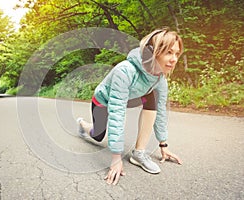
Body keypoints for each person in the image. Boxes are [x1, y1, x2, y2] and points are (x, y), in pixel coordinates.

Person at [77, 27, 183, 185]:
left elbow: (161, 111)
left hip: (129, 97)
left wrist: (163, 144)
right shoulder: (125, 71)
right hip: (103, 101)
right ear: (150, 52)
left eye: (176, 53)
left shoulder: (160, 79)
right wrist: (116, 158)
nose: (174, 59)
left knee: (152, 99)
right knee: (97, 135)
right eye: (169, 52)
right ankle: (82, 124)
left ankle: (139, 153)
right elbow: (117, 112)